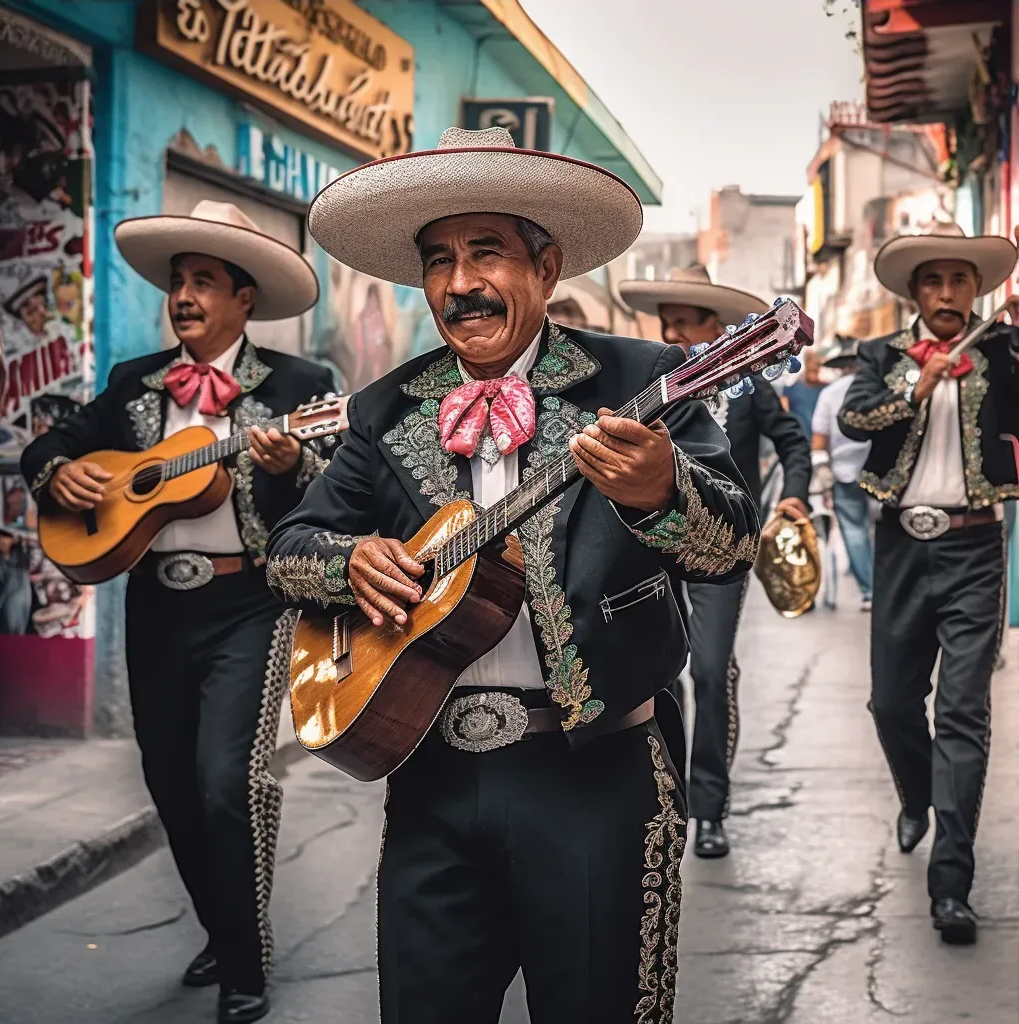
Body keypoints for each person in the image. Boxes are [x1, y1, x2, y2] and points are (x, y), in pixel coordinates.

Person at [266, 126, 760, 1023]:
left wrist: (662, 492)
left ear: (546, 265)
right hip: (433, 770)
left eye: (486, 252)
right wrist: (352, 560)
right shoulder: (385, 407)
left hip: (597, 772)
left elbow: (731, 548)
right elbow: (291, 550)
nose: (461, 284)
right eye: (440, 261)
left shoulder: (644, 378)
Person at [21, 200, 335, 1022]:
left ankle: (244, 964)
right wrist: (57, 472)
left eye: (204, 281)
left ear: (245, 299)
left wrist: (295, 460)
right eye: (178, 282)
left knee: (225, 780)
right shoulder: (135, 383)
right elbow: (52, 440)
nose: (185, 295)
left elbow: (343, 492)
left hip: (250, 601)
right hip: (157, 601)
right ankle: (221, 926)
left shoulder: (303, 389)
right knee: (169, 782)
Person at [839, 220, 1019, 947]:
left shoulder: (1006, 351)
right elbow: (855, 421)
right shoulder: (882, 356)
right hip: (901, 548)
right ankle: (917, 796)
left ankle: (952, 884)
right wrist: (918, 382)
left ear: (977, 289)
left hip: (977, 546)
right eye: (934, 282)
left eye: (960, 281)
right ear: (915, 292)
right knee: (890, 702)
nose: (948, 294)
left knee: (964, 716)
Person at [619, 265, 811, 858]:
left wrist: (794, 496)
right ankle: (663, 794)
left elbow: (794, 442)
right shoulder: (644, 383)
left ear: (715, 326)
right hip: (653, 545)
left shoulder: (750, 386)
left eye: (686, 320)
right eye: (667, 320)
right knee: (659, 673)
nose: (673, 330)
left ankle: (709, 807)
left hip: (725, 550)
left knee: (710, 669)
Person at [810, 335, 873, 610]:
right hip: (882, 469)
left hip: (844, 472)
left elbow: (819, 439)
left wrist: (823, 472)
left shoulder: (830, 393)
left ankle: (870, 591)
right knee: (884, 532)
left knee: (855, 532)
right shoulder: (879, 387)